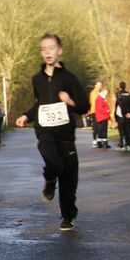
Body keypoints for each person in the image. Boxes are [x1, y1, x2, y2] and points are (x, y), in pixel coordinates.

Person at [16, 33, 88, 231]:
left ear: (59, 51)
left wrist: (70, 101)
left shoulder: (69, 78)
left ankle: (69, 216)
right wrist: (26, 116)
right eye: (43, 49)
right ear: (41, 52)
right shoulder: (36, 79)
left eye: (51, 48)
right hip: (45, 131)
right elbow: (40, 103)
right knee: (53, 162)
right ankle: (49, 181)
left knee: (69, 178)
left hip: (65, 135)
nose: (47, 52)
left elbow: (84, 105)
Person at [114, 82, 130, 151]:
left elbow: (120, 104)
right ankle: (128, 145)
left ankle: (122, 145)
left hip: (121, 115)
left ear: (120, 86)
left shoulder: (119, 94)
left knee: (122, 130)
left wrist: (124, 113)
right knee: (128, 130)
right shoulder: (129, 94)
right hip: (128, 115)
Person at [88, 80, 102, 147]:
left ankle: (98, 140)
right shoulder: (94, 93)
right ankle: (95, 140)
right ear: (95, 85)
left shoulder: (99, 92)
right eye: (99, 85)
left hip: (97, 111)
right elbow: (93, 102)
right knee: (96, 126)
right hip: (96, 111)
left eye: (101, 85)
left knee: (98, 126)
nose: (100, 86)